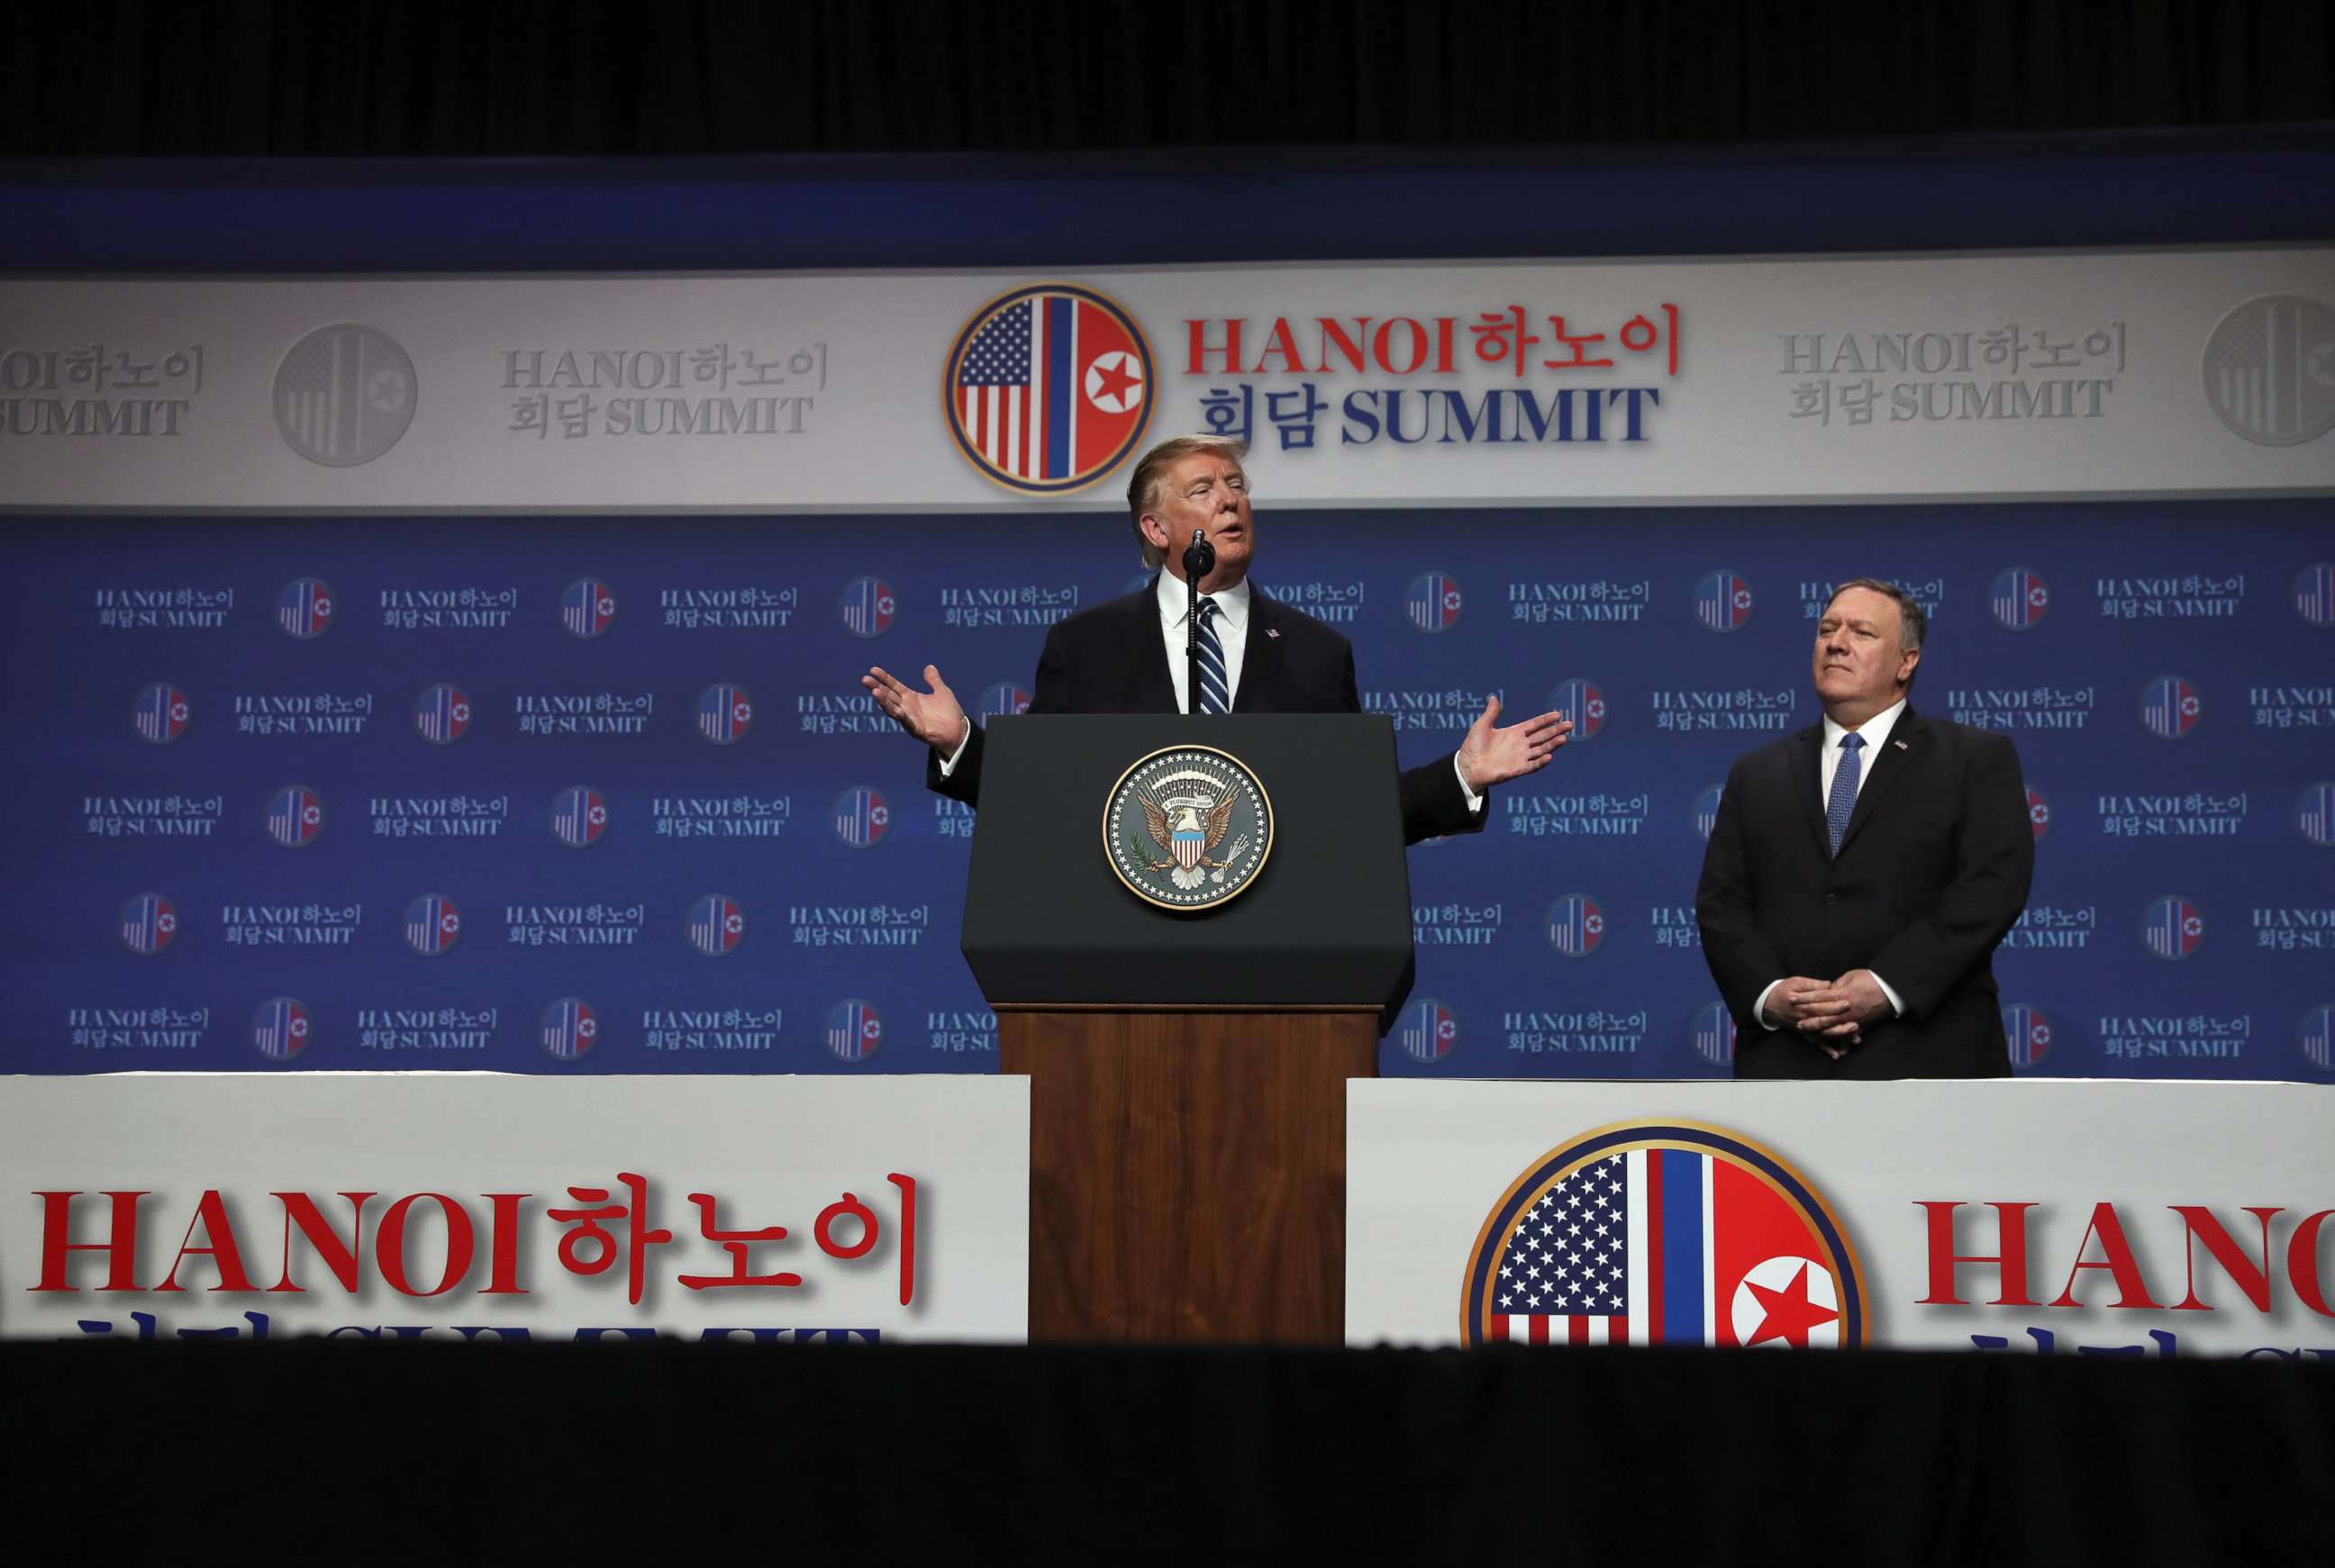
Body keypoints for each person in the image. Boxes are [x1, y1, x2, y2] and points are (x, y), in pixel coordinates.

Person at [862, 434, 1570, 844]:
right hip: (1119, 955)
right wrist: (961, 744)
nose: (1231, 499)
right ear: (1155, 528)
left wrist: (1461, 775)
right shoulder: (1088, 644)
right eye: (1203, 490)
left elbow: (1353, 814)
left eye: (1237, 484)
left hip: (1281, 961)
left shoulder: (1315, 652)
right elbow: (1046, 797)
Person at [1694, 577, 2032, 1080]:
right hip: (1787, 1061)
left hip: (1930, 1055)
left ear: (1907, 661)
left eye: (1862, 632)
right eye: (1827, 629)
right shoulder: (1757, 771)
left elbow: (1990, 889)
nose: (1836, 642)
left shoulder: (1974, 758)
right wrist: (1773, 996)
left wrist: (1886, 986)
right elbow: (1721, 904)